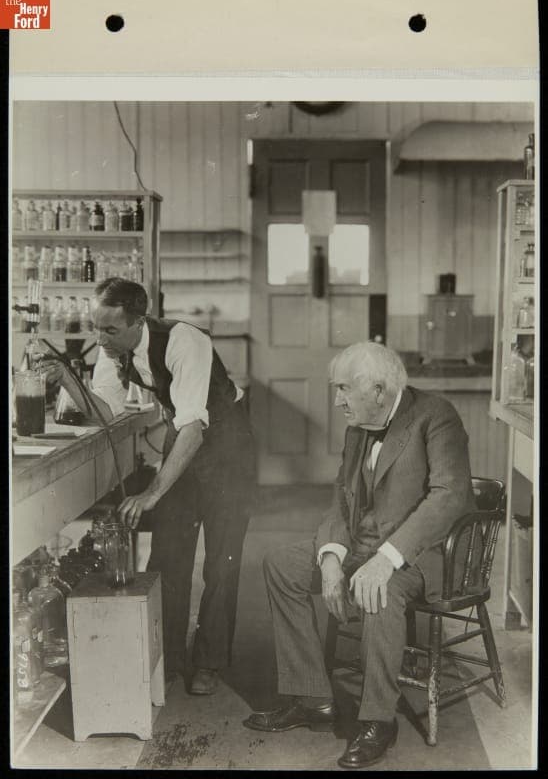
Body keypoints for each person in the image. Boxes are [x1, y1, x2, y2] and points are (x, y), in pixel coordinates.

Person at [243, 341, 476, 769]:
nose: (337, 400)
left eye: (345, 389)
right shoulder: (358, 428)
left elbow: (448, 497)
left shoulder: (436, 416)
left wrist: (386, 559)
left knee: (377, 590)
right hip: (360, 545)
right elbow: (341, 500)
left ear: (380, 391)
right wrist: (331, 557)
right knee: (281, 564)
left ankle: (378, 721)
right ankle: (313, 697)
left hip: (420, 553)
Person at [44, 278, 255, 695]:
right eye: (96, 327)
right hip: (184, 437)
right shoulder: (114, 349)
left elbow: (195, 426)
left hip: (228, 445)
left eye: (110, 330)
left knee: (221, 562)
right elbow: (104, 411)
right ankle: (169, 656)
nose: (100, 339)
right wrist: (69, 380)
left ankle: (210, 662)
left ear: (139, 321)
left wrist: (153, 492)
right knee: (167, 557)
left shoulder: (184, 341)